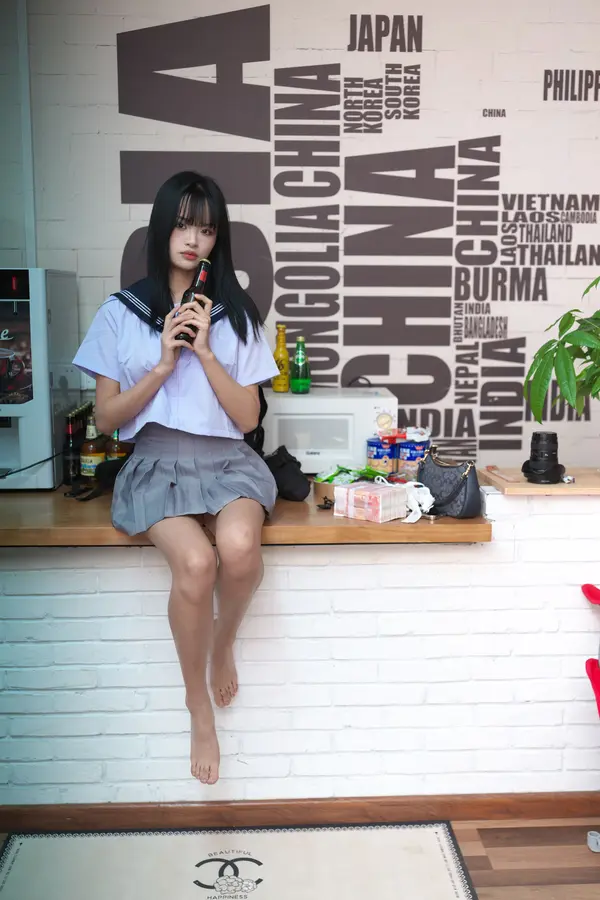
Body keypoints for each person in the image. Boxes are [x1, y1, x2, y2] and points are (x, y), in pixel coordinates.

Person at [73, 171, 279, 785]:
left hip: (228, 459)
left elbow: (247, 418)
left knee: (239, 548)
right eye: (184, 225)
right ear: (163, 225)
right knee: (195, 563)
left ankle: (222, 642)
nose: (194, 240)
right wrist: (164, 364)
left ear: (218, 239)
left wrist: (207, 352)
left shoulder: (236, 315)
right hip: (156, 462)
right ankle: (198, 708)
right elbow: (107, 419)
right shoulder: (122, 313)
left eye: (207, 230)